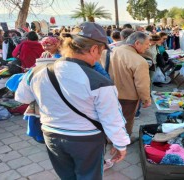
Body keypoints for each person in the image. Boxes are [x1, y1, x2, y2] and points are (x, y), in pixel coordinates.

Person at [15, 22, 129, 179]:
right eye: (101, 51)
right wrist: (121, 144)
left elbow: (22, 97)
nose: (98, 57)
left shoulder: (38, 71)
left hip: (52, 135)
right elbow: (112, 118)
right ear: (94, 49)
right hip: (86, 139)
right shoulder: (100, 81)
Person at [109, 32, 151, 140]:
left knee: (112, 119)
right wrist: (146, 99)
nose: (148, 46)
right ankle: (123, 141)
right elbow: (142, 85)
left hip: (109, 93)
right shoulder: (139, 61)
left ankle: (111, 139)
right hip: (127, 97)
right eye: (146, 44)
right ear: (137, 43)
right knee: (126, 119)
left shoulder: (112, 51)